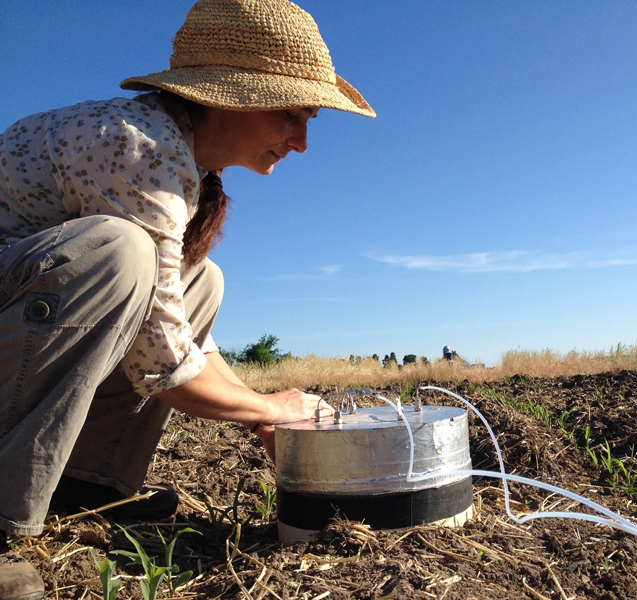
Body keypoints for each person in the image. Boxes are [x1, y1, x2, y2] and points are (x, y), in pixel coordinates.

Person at [0, 1, 375, 597]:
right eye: (293, 115)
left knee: (202, 282)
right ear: (233, 96)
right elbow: (165, 366)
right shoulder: (137, 148)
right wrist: (267, 410)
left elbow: (171, 330)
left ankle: (89, 485)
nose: (301, 143)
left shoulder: (177, 164)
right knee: (118, 253)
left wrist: (260, 405)